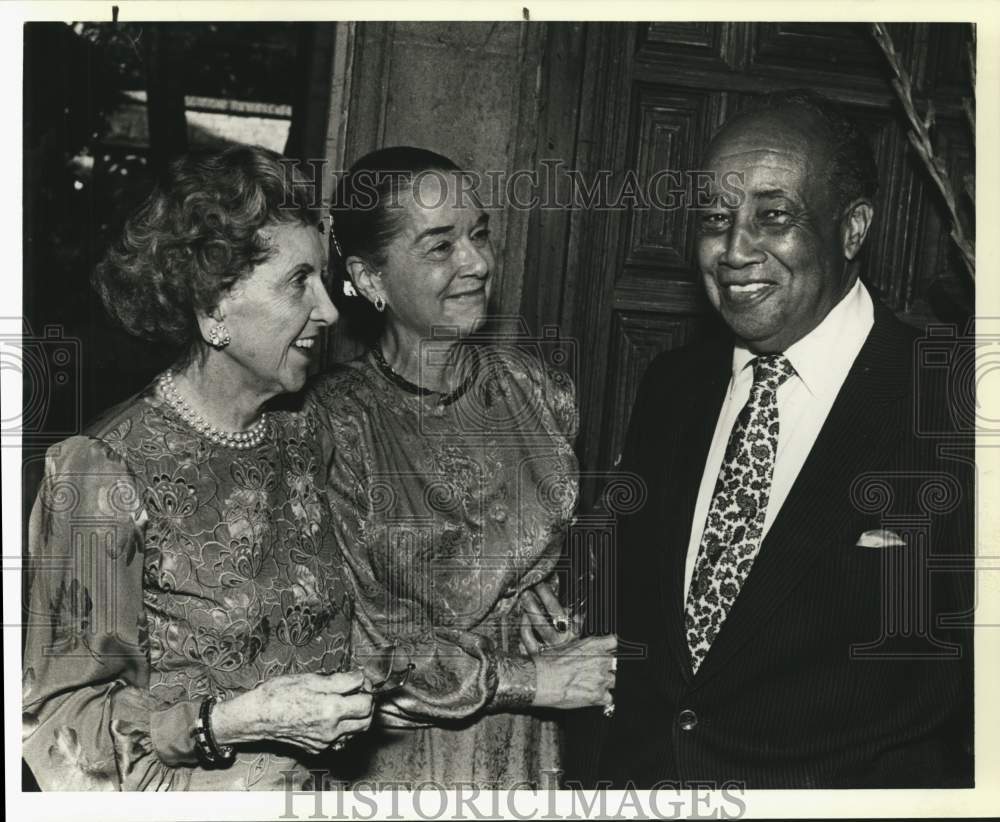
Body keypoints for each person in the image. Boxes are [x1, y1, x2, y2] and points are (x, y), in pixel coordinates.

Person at [598, 90, 973, 788]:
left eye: (774, 216)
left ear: (853, 228)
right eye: (716, 218)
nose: (736, 249)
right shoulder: (671, 388)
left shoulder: (955, 403)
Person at [22, 145, 375, 791]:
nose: (327, 311)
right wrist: (226, 724)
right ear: (214, 307)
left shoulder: (309, 434)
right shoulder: (101, 473)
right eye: (300, 281)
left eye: (324, 281)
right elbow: (63, 731)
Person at [308, 146, 618, 788]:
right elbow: (356, 652)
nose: (476, 262)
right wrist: (533, 680)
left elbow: (583, 558)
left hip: (537, 752)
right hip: (402, 765)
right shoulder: (333, 425)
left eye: (478, 235)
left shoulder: (539, 392)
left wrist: (541, 591)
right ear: (370, 278)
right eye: (440, 246)